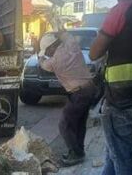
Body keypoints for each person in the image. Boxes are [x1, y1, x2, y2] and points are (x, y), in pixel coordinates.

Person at [90, 0, 132, 175]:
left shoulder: (121, 10)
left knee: (122, 159)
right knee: (113, 154)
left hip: (123, 101)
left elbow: (94, 52)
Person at [39, 31, 96, 166]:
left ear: (52, 47)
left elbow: (43, 65)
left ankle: (75, 153)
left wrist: (40, 57)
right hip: (89, 89)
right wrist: (58, 33)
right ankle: (79, 152)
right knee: (79, 123)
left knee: (65, 124)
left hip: (79, 94)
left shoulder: (54, 61)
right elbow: (66, 35)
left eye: (47, 51)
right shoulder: (72, 44)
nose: (47, 54)